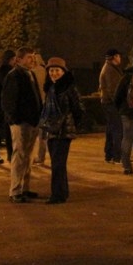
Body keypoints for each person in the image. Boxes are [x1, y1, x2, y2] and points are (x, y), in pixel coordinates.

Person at [40, 57, 84, 204]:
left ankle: (57, 195)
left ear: (63, 72)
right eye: (51, 70)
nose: (54, 73)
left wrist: (71, 123)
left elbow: (78, 108)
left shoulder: (69, 87)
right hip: (51, 129)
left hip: (63, 130)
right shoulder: (50, 88)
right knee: (56, 163)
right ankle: (61, 192)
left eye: (57, 70)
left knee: (58, 163)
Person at [1, 47, 42, 203]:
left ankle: (25, 188)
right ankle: (15, 190)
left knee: (28, 156)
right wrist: (15, 120)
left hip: (32, 121)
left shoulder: (29, 74)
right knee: (19, 155)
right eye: (29, 57)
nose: (33, 60)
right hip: (21, 122)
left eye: (33, 56)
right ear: (19, 60)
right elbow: (8, 100)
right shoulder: (14, 76)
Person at [99, 48, 123, 164]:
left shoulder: (109, 68)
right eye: (118, 56)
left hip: (107, 102)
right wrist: (119, 103)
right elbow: (113, 90)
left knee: (110, 129)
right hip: (111, 103)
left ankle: (109, 155)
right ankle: (117, 156)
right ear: (114, 57)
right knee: (118, 129)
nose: (120, 58)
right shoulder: (110, 70)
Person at [31, 51, 49, 166]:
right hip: (46, 104)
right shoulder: (46, 71)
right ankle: (41, 156)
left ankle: (35, 157)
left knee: (35, 132)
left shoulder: (33, 72)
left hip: (36, 105)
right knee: (43, 133)